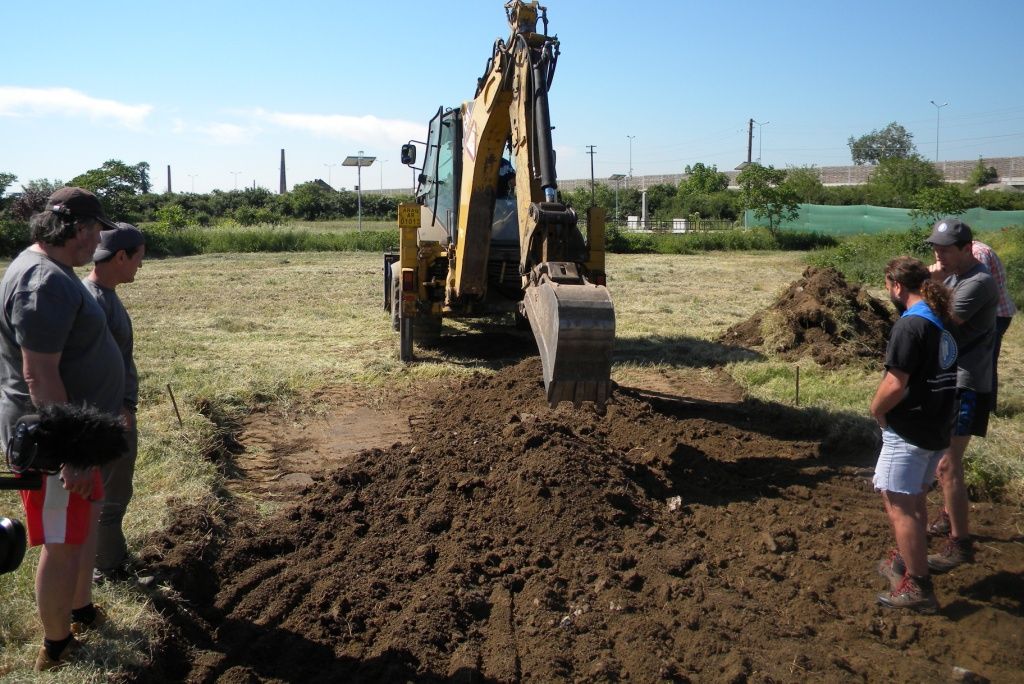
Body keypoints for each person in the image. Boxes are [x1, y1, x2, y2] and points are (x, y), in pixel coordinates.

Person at [0, 187, 125, 671]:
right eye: (94, 229)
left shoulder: (53, 272)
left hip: (77, 435)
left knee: (77, 527)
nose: (97, 240)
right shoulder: (41, 282)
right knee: (61, 538)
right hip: (54, 442)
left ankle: (79, 609)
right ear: (74, 227)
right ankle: (57, 646)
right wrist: (71, 452)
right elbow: (39, 375)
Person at [871, 256, 958, 613]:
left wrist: (877, 410)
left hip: (909, 429)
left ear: (895, 285)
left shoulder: (909, 327)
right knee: (916, 498)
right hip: (936, 427)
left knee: (899, 505)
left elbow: (895, 382)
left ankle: (918, 587)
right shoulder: (940, 321)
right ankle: (908, 562)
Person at [924, 218, 998, 573]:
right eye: (935, 248)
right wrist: (932, 278)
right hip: (952, 376)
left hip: (967, 382)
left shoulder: (978, 281)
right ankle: (948, 516)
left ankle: (960, 545)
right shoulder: (954, 274)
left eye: (945, 249)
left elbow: (943, 322)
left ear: (966, 249)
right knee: (942, 458)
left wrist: (926, 286)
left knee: (947, 463)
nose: (938, 254)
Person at [82, 223, 146, 582]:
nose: (139, 266)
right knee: (109, 496)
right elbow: (90, 368)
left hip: (113, 412)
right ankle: (108, 569)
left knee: (115, 493)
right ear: (121, 256)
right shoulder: (95, 302)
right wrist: (118, 409)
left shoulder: (104, 295)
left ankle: (109, 557)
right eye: (138, 259)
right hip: (109, 417)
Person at [971, 240, 1016, 413]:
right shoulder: (974, 250)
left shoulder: (978, 253)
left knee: (985, 361)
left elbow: (978, 288)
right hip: (992, 313)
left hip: (994, 314)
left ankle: (986, 408)